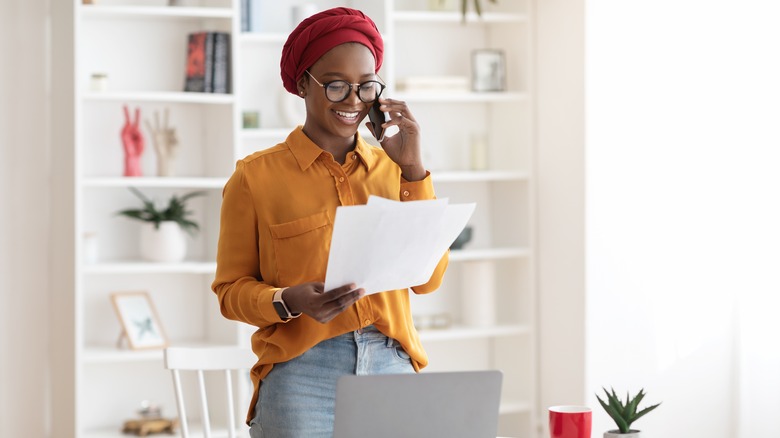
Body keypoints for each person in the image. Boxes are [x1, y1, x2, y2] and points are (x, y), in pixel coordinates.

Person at [211, 7, 449, 437]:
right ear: (303, 84)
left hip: (390, 363)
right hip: (302, 375)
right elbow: (230, 294)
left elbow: (427, 280)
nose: (354, 101)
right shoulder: (254, 178)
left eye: (366, 87)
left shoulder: (395, 167)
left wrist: (414, 171)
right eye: (337, 85)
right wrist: (288, 300)